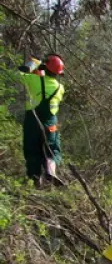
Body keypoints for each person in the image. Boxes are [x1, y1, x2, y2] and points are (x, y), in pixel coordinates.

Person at [18, 54, 66, 186]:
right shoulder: (60, 88)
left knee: (32, 149)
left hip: (33, 121)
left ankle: (36, 180)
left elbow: (20, 73)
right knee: (53, 148)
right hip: (51, 123)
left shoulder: (34, 81)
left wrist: (34, 63)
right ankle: (51, 171)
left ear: (45, 67)